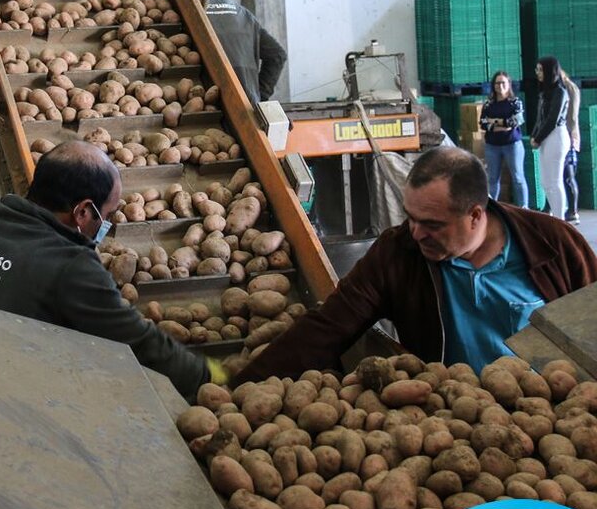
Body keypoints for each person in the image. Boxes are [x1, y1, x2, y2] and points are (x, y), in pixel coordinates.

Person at [231, 147, 597, 382]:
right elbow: (329, 326)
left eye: (433, 224)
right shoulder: (398, 252)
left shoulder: (554, 245)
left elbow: (591, 330)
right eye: (411, 218)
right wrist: (241, 388)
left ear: (475, 215)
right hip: (452, 418)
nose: (417, 233)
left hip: (552, 416)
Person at [0, 140, 217, 401]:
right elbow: (140, 343)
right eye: (105, 215)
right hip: (7, 395)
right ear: (82, 212)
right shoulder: (72, 266)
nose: (106, 225)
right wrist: (208, 376)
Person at [197, 0, 287, 104]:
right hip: (249, 104)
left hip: (211, 103)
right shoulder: (242, 12)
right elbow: (277, 54)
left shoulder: (186, 9)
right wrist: (260, 94)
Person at [479, 71, 528, 207]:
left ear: (509, 85)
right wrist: (503, 123)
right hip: (492, 146)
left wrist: (494, 122)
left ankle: (524, 208)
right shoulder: (488, 104)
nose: (500, 86)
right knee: (493, 179)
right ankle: (491, 209)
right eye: (497, 83)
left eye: (503, 83)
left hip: (512, 145)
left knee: (518, 177)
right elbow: (483, 124)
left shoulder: (515, 103)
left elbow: (515, 122)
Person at [531, 56, 570, 220]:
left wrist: (538, 138)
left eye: (540, 69)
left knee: (554, 181)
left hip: (556, 137)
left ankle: (560, 219)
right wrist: (535, 135)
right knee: (545, 182)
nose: (538, 73)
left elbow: (552, 119)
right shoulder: (545, 92)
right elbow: (540, 118)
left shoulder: (560, 92)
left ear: (549, 71)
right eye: (537, 69)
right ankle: (555, 216)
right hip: (547, 137)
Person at [561, 68, 581, 225]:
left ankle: (573, 211)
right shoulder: (555, 90)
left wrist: (570, 136)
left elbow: (572, 116)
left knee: (568, 175)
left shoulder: (570, 88)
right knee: (556, 176)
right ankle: (552, 207)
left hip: (568, 137)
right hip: (557, 138)